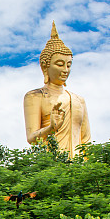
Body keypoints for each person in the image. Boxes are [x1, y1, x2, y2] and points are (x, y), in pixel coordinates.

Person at [23, 22, 91, 158]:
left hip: (79, 166)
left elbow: (86, 142)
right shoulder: (35, 96)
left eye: (68, 65)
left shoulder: (79, 100)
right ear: (45, 66)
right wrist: (51, 128)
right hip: (50, 163)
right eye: (59, 64)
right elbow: (32, 138)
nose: (65, 70)